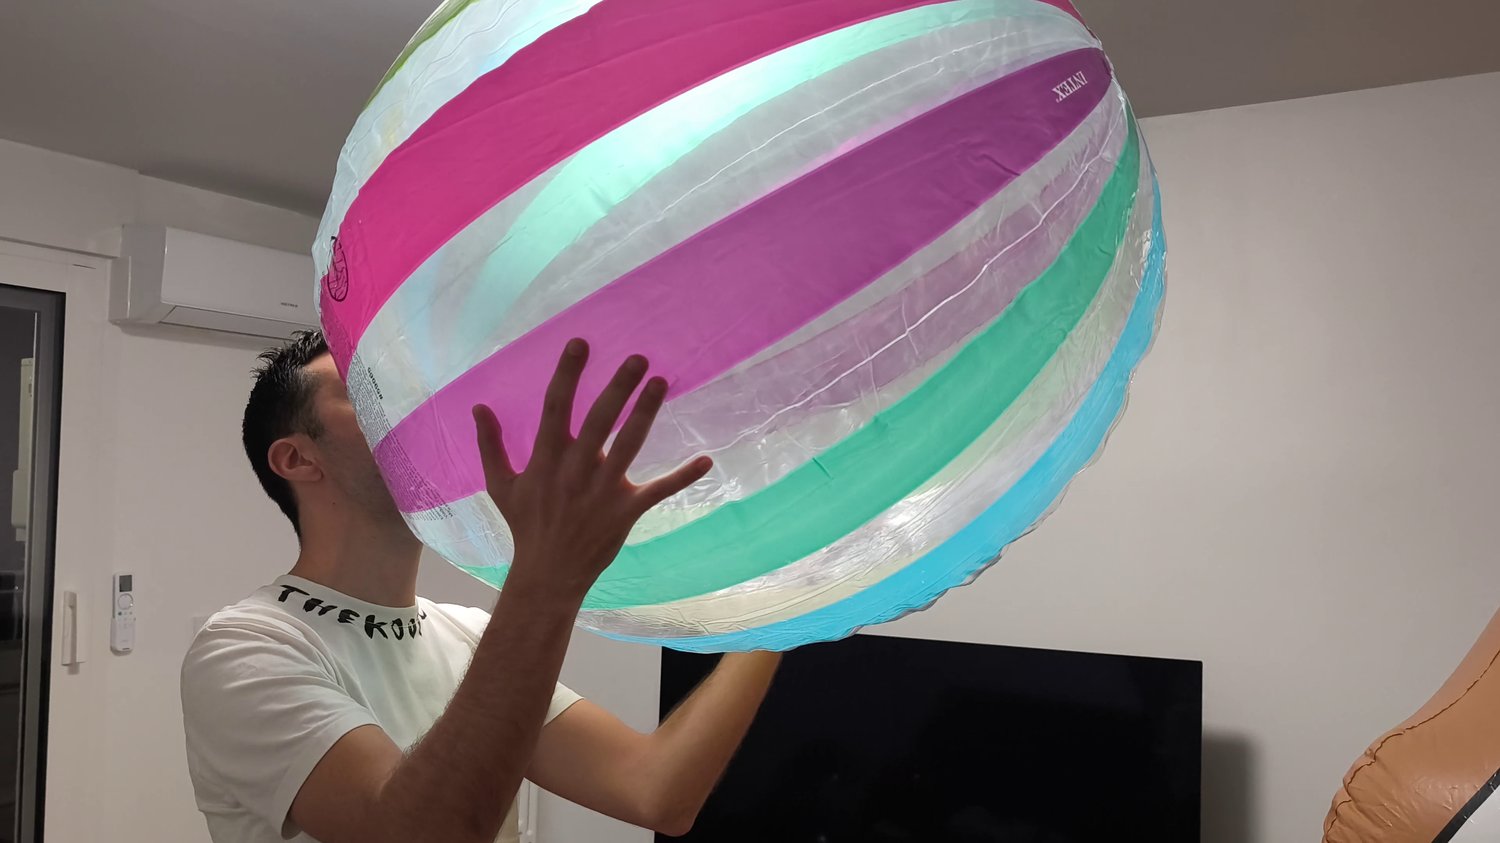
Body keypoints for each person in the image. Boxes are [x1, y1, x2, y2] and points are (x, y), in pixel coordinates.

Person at [181, 330, 781, 843]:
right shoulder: (245, 649)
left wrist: (780, 605)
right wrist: (547, 571)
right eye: (370, 397)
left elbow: (655, 790)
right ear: (297, 460)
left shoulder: (468, 634)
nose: (415, 415)